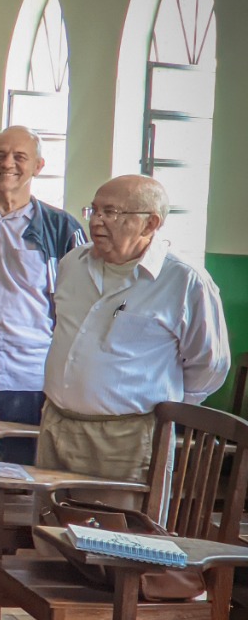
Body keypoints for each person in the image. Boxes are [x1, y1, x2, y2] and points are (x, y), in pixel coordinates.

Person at [40, 175, 229, 483]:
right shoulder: (74, 262)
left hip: (128, 437)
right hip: (57, 423)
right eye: (94, 210)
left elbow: (210, 366)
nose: (97, 222)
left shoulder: (183, 280)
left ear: (150, 223)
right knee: (49, 525)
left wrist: (158, 413)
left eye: (111, 212)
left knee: (120, 525)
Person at [0, 127, 86, 462]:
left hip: (33, 378)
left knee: (26, 478)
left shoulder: (62, 229)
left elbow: (81, 307)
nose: (7, 164)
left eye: (20, 157)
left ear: (39, 166)